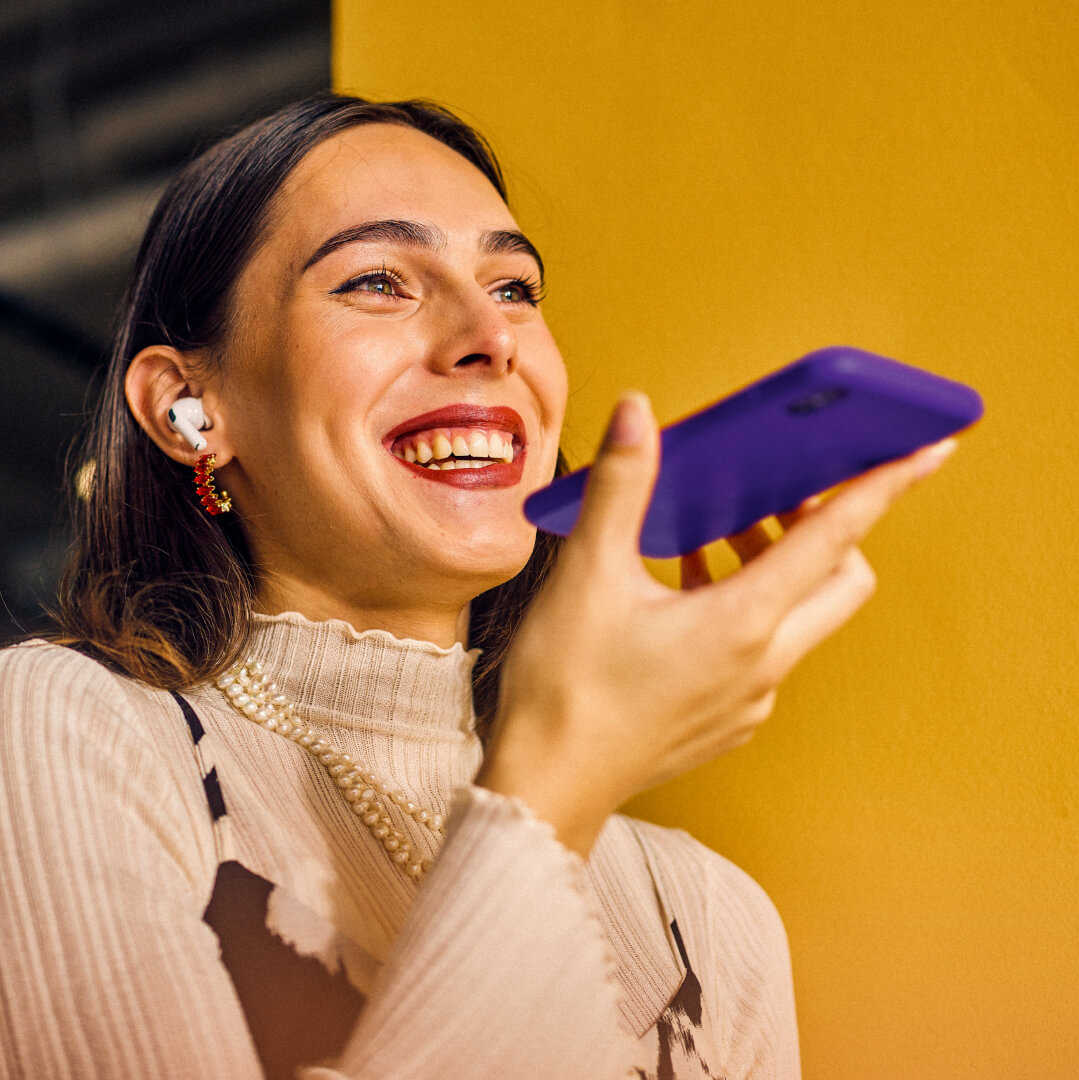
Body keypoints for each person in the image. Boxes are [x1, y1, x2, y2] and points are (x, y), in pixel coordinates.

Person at [0, 93, 955, 1080]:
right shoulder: (63, 728)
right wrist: (554, 791)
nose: (488, 338)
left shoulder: (708, 919)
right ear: (189, 410)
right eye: (377, 280)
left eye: (514, 286)